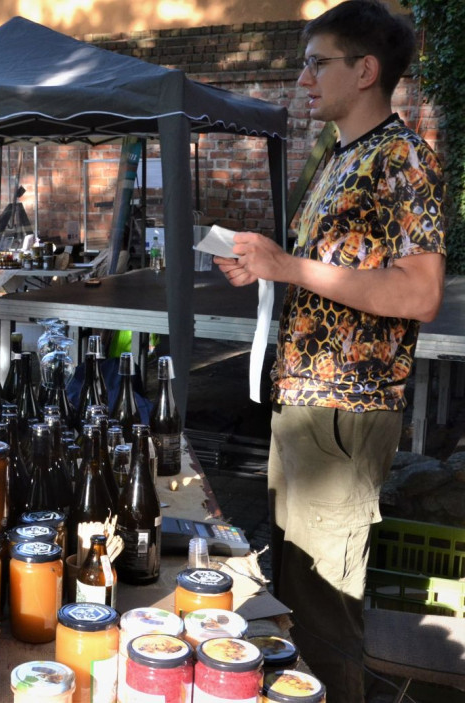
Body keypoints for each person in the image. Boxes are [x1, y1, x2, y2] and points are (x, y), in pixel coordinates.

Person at [214, 2, 445, 700]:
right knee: (296, 599)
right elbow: (330, 277)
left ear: (366, 70)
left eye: (319, 62)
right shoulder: (342, 157)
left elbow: (419, 294)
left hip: (346, 411)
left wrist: (289, 267)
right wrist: (267, 267)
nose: (303, 77)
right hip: (308, 406)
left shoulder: (402, 158)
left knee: (323, 617)